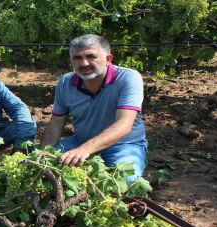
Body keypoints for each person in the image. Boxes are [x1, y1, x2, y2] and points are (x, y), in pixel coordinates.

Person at [41, 34, 147, 182]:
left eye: (91, 56)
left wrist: (85, 150)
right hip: (80, 142)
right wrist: (43, 154)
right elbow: (57, 122)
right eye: (77, 58)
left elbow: (124, 125)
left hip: (123, 145)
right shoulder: (65, 82)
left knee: (127, 181)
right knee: (44, 167)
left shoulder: (127, 78)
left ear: (108, 59)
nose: (84, 63)